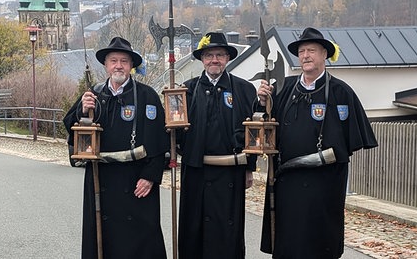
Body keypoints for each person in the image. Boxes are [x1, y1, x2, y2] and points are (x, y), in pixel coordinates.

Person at [257, 27, 378, 259]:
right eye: (302, 51)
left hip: (324, 184)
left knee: (320, 242)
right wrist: (263, 101)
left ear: (325, 54)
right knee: (289, 241)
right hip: (288, 182)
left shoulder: (341, 93)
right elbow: (264, 124)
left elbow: (351, 142)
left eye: (311, 50)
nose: (305, 56)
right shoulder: (284, 89)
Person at [63, 37, 168, 259]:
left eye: (124, 61)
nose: (118, 65)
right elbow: (70, 128)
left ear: (131, 65)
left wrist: (150, 176)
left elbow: (160, 140)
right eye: (113, 61)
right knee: (103, 239)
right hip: (101, 178)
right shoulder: (94, 94)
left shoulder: (147, 95)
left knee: (140, 240)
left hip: (136, 179)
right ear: (106, 65)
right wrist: (82, 111)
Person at [177, 32, 257, 259]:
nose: (214, 60)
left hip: (230, 173)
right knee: (194, 229)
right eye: (209, 55)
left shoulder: (243, 90)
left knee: (227, 233)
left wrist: (249, 167)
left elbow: (251, 132)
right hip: (196, 172)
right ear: (202, 59)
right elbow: (175, 133)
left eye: (219, 55)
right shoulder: (186, 90)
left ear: (227, 58)